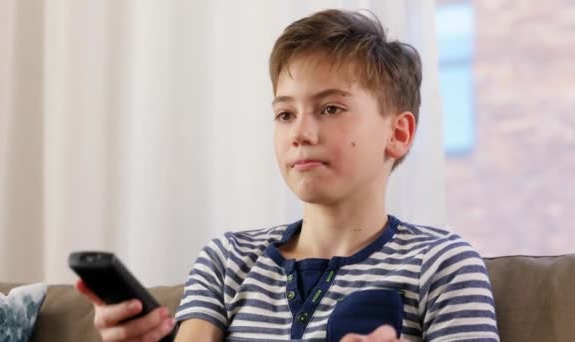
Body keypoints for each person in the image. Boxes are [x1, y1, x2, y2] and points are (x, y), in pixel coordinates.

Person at [76, 8, 498, 342]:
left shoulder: (442, 264)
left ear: (398, 133)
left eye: (331, 108)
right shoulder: (227, 260)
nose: (300, 133)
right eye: (284, 114)